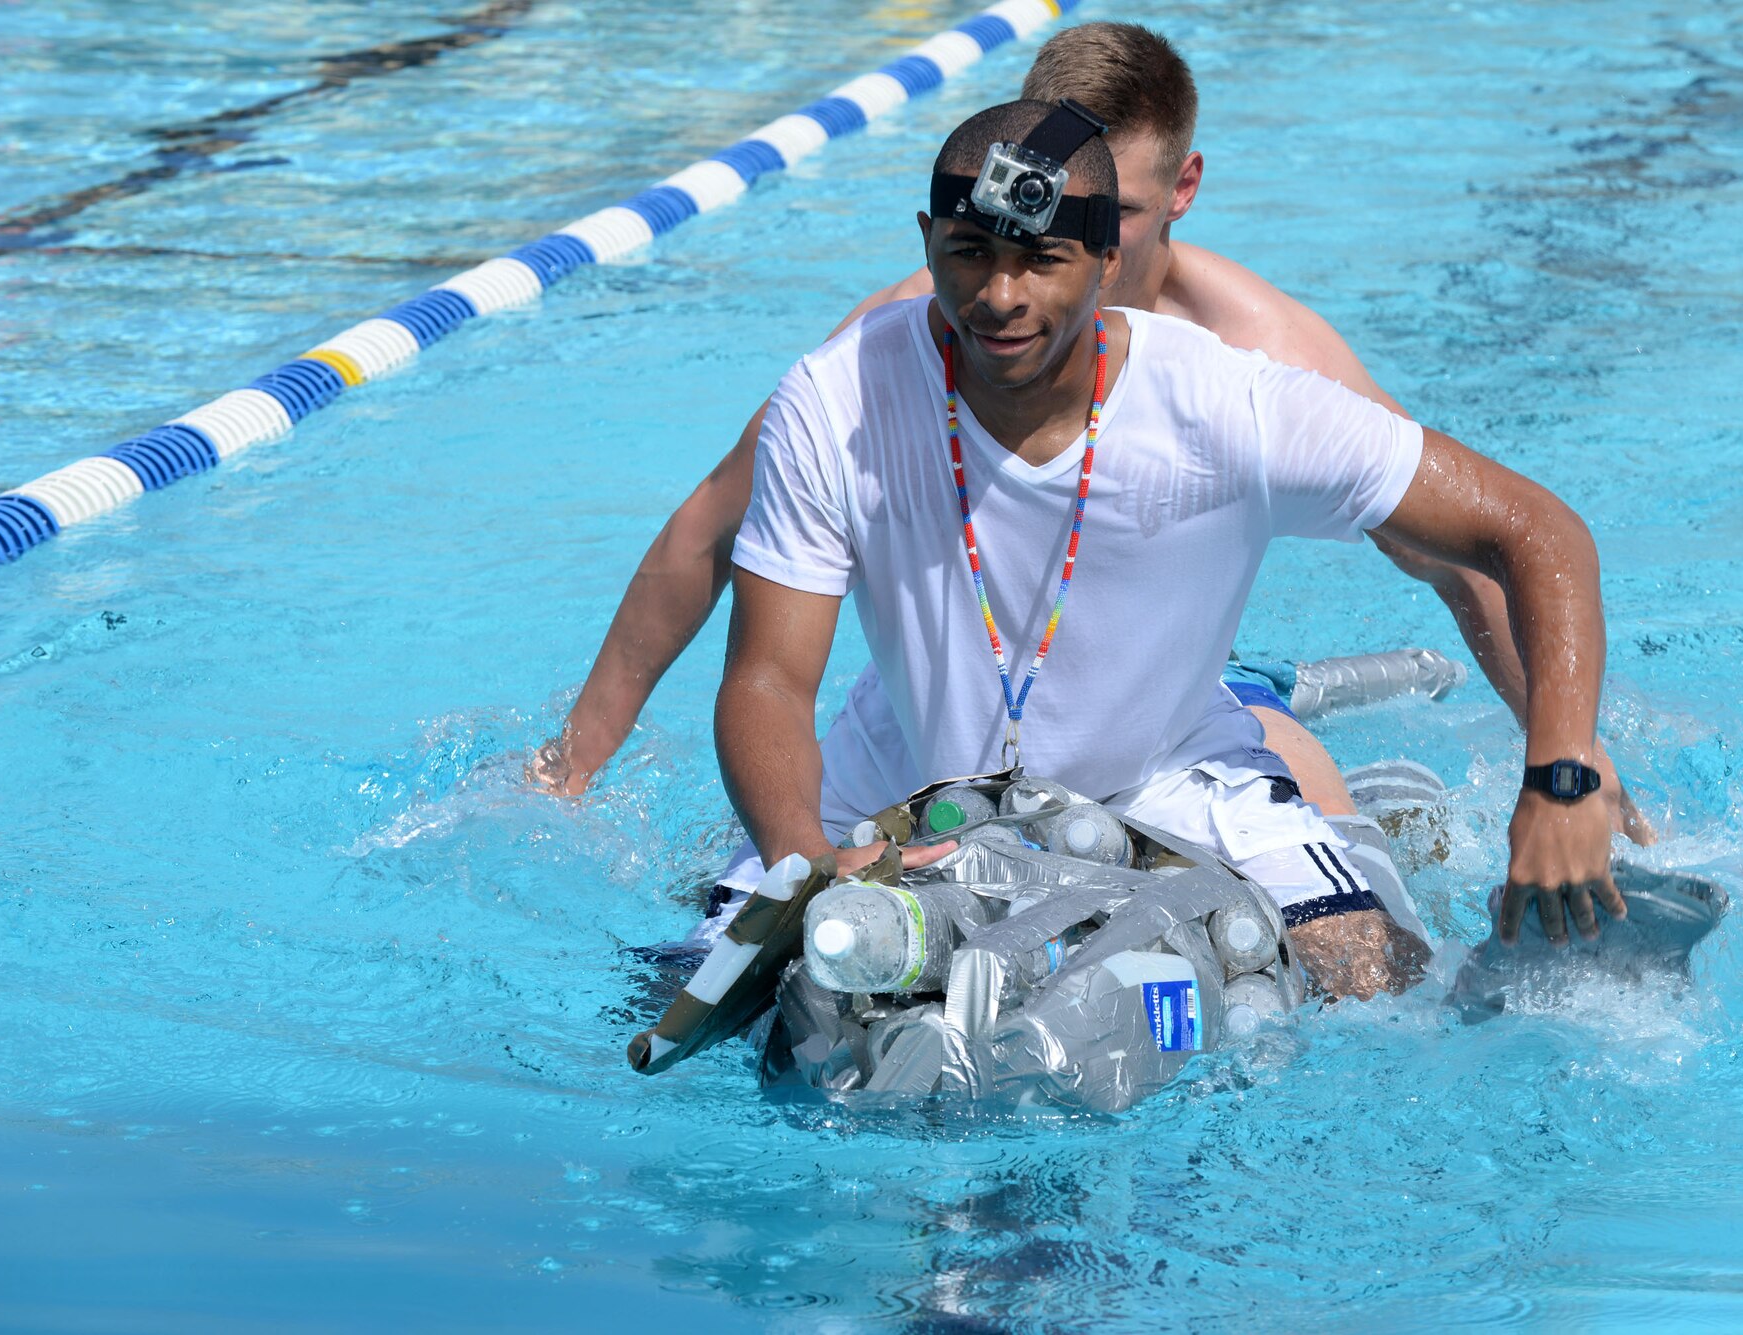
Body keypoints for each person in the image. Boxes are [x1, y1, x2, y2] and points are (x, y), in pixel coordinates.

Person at [533, 21, 1653, 848]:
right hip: (945, 706)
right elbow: (709, 535)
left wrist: (1573, 771)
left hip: (1179, 703)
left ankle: (1378, 789)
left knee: (1307, 798)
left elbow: (1468, 564)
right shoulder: (888, 348)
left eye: (1099, 214)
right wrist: (573, 766)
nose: (1014, 280)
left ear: (1178, 193)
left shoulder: (1264, 366)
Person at [717, 98, 1625, 1000]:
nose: (999, 297)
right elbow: (768, 678)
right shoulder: (837, 402)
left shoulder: (1228, 406)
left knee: (1383, 992)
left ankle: (1378, 814)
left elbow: (1533, 527)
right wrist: (807, 860)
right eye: (970, 254)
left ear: (1108, 257)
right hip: (906, 770)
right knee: (714, 999)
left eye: (1040, 259)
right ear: (925, 240)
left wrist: (1563, 777)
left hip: (1174, 774)